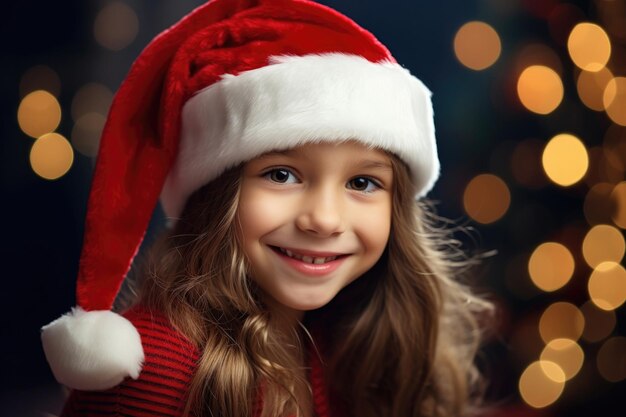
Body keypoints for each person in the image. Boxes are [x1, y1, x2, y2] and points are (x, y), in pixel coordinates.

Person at [41, 0, 493, 416]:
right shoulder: (155, 373)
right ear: (216, 195)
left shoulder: (350, 345)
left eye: (362, 182)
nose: (324, 219)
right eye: (281, 174)